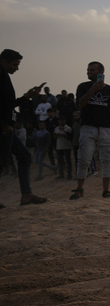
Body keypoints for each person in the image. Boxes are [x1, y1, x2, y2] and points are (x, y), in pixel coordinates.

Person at [71, 61, 110, 199]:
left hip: (107, 129)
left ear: (101, 72)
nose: (89, 72)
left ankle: (106, 190)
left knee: (106, 159)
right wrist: (92, 90)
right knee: (84, 159)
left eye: (92, 70)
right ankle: (79, 189)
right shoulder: (83, 87)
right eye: (88, 70)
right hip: (88, 128)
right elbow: (80, 104)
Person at [0, 48, 47, 206]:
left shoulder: (4, 75)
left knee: (24, 156)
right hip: (4, 128)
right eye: (15, 65)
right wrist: (5, 124)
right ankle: (26, 194)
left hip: (7, 127)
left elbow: (9, 104)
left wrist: (27, 97)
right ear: (5, 61)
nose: (17, 68)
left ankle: (26, 194)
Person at [54, 115, 73, 180]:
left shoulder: (68, 128)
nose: (61, 121)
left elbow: (70, 137)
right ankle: (61, 174)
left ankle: (69, 175)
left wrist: (63, 134)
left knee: (67, 161)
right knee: (60, 161)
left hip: (66, 146)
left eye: (62, 120)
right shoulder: (56, 128)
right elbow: (54, 137)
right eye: (60, 120)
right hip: (59, 146)